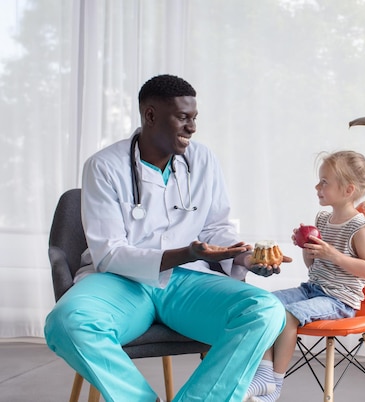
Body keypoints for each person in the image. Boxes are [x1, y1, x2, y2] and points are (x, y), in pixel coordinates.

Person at [44, 74, 290, 402]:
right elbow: (109, 253)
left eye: (194, 119)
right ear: (150, 115)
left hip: (186, 283)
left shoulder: (202, 160)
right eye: (182, 118)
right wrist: (186, 253)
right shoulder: (104, 166)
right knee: (65, 322)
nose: (192, 127)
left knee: (266, 311)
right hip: (120, 282)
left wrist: (243, 257)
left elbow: (216, 227)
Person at [244, 150, 365, 402]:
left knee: (288, 317)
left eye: (324, 181)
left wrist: (333, 255)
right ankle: (263, 376)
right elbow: (312, 266)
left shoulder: (359, 227)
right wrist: (308, 250)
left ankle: (275, 384)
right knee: (263, 305)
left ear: (347, 190)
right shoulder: (322, 219)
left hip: (340, 300)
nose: (317, 186)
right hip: (313, 288)